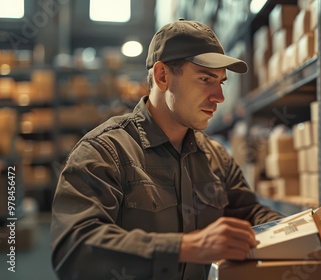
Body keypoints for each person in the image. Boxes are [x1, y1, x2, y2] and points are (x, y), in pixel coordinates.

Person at [50, 19, 284, 280]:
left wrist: (296, 229)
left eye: (221, 82)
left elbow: (250, 213)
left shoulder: (215, 157)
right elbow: (75, 250)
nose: (219, 97)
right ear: (162, 76)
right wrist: (185, 247)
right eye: (205, 79)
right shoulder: (105, 152)